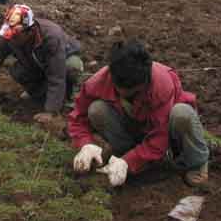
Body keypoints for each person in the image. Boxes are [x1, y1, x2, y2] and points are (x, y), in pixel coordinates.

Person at [69, 40, 209, 188]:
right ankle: (130, 156)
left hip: (170, 133)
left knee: (182, 114)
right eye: (119, 89)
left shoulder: (162, 85)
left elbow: (161, 137)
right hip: (136, 126)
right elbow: (78, 118)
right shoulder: (99, 80)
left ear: (144, 81)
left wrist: (128, 162)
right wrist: (86, 144)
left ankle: (196, 163)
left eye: (133, 92)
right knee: (96, 110)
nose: (124, 93)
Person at [0, 4, 83, 124]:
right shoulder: (8, 35)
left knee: (72, 67)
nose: (11, 38)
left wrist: (50, 111)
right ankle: (41, 94)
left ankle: (71, 97)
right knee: (17, 70)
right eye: (10, 34)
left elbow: (57, 76)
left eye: (16, 35)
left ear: (30, 31)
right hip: (35, 62)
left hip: (62, 61)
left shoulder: (52, 37)